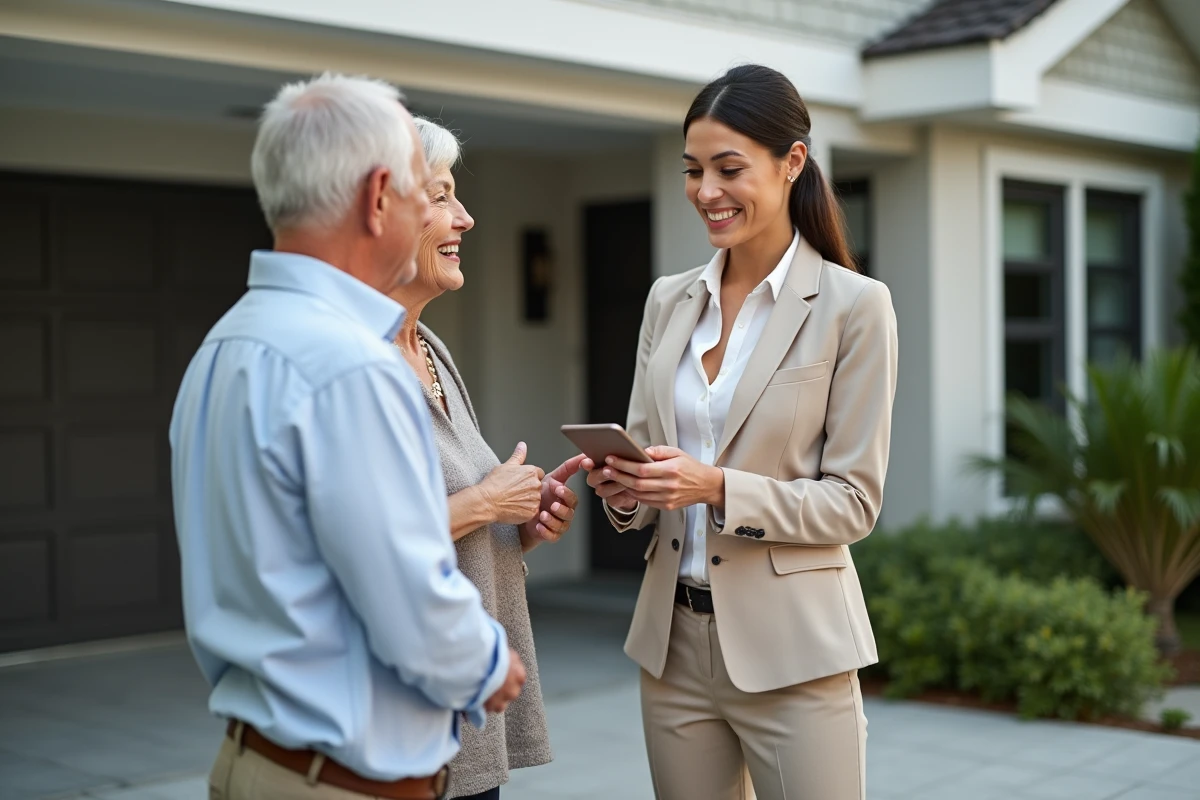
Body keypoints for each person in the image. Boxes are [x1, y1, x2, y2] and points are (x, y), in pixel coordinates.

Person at [169, 74, 525, 800]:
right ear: (377, 198)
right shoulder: (351, 364)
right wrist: (488, 665)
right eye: (423, 192)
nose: (449, 213)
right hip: (341, 783)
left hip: (252, 762)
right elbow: (404, 587)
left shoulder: (224, 345)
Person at [581, 64, 898, 800]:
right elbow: (640, 458)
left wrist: (717, 486)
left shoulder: (856, 306)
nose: (705, 191)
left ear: (792, 163)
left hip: (796, 654)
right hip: (673, 650)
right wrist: (623, 488)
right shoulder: (668, 302)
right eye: (693, 170)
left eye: (729, 168)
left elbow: (853, 503)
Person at [388, 117, 584, 800]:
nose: (464, 217)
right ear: (383, 214)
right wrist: (485, 502)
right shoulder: (353, 365)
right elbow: (353, 549)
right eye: (441, 196)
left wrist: (517, 524)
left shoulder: (432, 351)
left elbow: (451, 523)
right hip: (403, 722)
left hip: (468, 716)